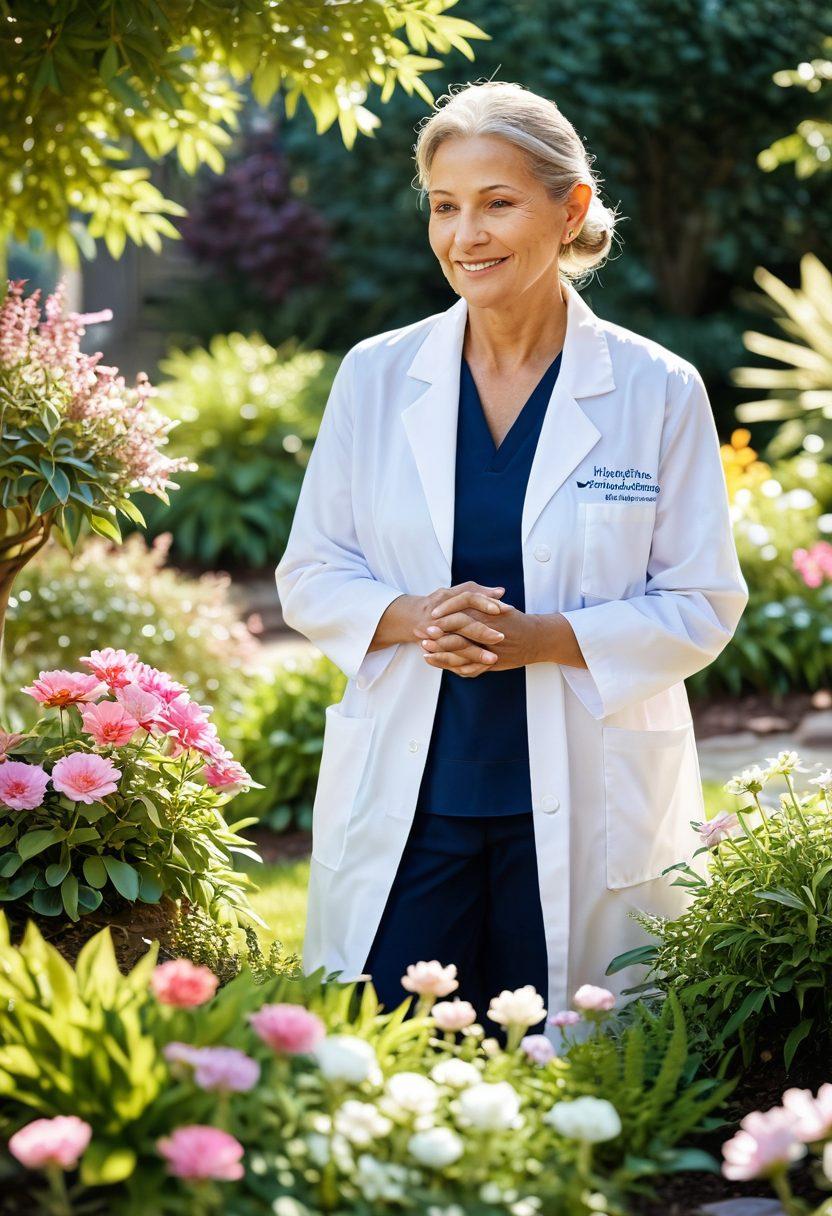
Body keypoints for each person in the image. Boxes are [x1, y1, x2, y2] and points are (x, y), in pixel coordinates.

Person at [274, 80, 748, 1039]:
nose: (466, 236)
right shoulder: (376, 375)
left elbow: (702, 600)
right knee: (387, 1058)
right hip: (417, 795)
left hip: (583, 789)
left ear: (570, 209)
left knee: (567, 1061)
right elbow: (312, 571)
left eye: (498, 203)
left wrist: (542, 638)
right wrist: (412, 617)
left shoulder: (656, 389)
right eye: (446, 207)